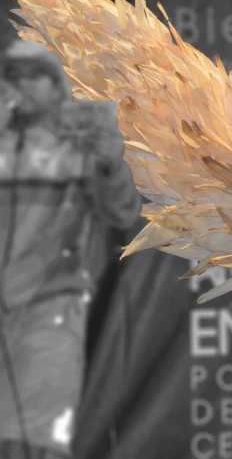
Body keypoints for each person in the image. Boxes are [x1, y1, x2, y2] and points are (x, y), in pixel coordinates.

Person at [0, 40, 141, 459]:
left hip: (50, 308)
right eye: (13, 75)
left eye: (35, 76)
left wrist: (112, 165)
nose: (22, 85)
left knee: (40, 437)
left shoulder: (81, 147)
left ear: (57, 86)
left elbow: (121, 214)